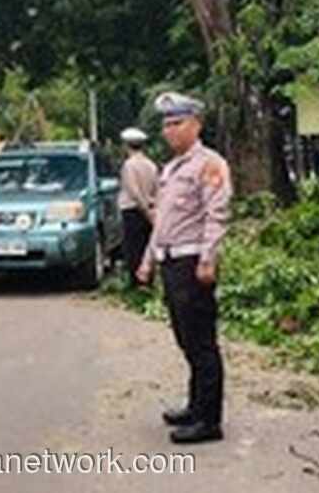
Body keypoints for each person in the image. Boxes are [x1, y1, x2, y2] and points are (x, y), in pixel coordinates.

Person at [136, 92, 233, 444]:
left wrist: (208, 258)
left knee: (202, 342)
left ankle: (210, 421)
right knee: (186, 339)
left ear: (197, 124)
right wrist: (147, 262)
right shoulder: (172, 168)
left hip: (193, 263)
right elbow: (162, 221)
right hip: (171, 262)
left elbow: (216, 215)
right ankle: (196, 406)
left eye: (177, 124)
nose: (169, 131)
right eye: (165, 125)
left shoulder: (210, 164)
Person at [118, 127, 158, 287]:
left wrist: (145, 211)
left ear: (126, 145)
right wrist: (153, 211)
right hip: (150, 208)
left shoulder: (129, 165)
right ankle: (149, 281)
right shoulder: (151, 165)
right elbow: (157, 190)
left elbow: (134, 191)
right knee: (148, 246)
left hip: (133, 211)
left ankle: (138, 284)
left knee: (134, 250)